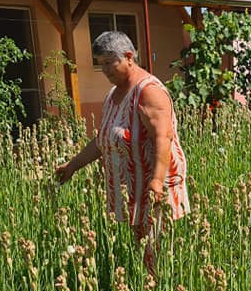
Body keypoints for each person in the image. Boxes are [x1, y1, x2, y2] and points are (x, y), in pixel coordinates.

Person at [54, 31, 189, 275]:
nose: (105, 70)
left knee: (156, 253)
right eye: (100, 64)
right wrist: (72, 165)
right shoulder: (113, 94)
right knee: (141, 251)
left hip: (152, 187)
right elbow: (103, 140)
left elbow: (163, 137)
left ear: (128, 57)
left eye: (109, 63)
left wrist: (157, 181)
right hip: (130, 188)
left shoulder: (148, 91)